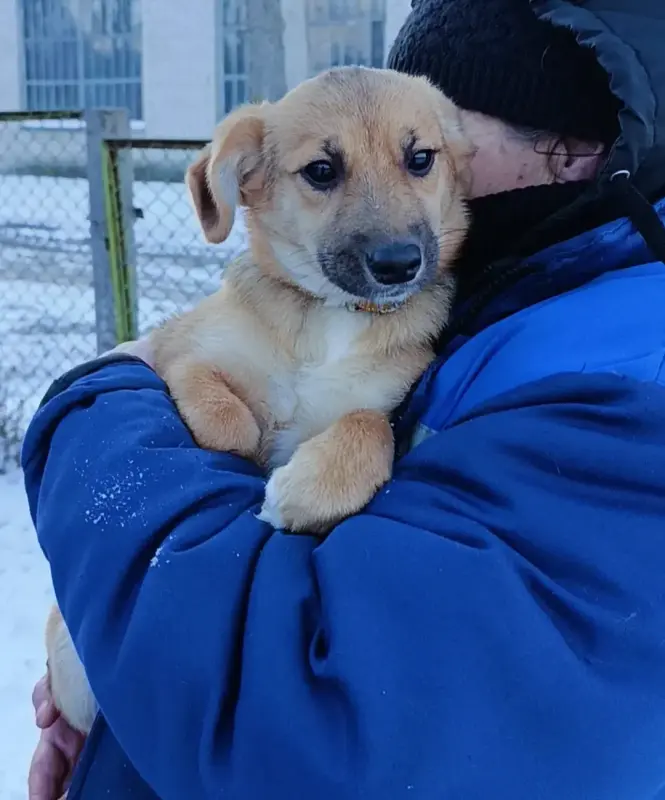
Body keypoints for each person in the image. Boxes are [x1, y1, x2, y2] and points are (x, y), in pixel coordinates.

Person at [23, 0, 665, 798]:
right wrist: (102, 703)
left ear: (571, 153)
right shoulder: (501, 301)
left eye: (425, 152)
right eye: (326, 172)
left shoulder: (615, 384)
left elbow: (314, 720)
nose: (410, 205)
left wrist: (97, 397)